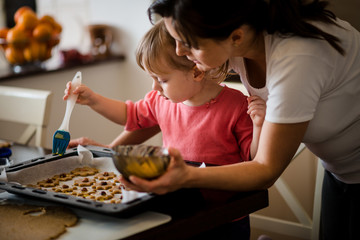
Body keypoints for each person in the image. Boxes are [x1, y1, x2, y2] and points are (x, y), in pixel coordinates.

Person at [120, 1, 360, 240]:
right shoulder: (239, 42)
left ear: (236, 37)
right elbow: (159, 110)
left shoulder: (297, 57)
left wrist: (186, 176)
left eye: (189, 43)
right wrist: (110, 149)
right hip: (338, 170)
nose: (180, 51)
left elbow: (266, 169)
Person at [64, 20, 266, 239]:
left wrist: (258, 125)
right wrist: (93, 100)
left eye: (162, 79)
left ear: (197, 71)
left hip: (223, 216)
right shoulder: (161, 100)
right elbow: (129, 115)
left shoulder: (236, 105)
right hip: (176, 206)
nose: (154, 88)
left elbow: (253, 158)